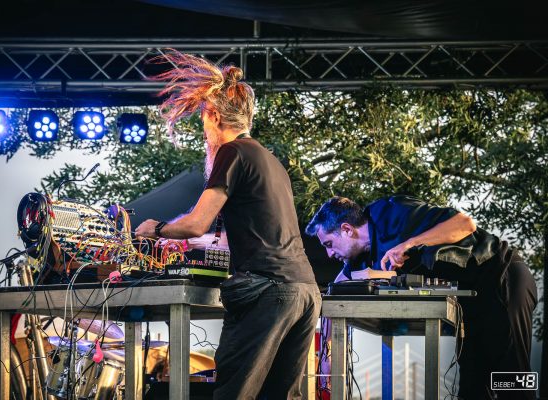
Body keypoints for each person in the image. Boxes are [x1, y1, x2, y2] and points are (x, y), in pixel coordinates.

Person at [135, 51, 321, 399]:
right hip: (305, 291)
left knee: (234, 392)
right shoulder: (269, 161)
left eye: (204, 124)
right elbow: (244, 229)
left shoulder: (231, 152)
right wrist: (188, 238)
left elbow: (195, 224)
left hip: (271, 292)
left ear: (215, 116)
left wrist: (155, 229)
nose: (204, 134)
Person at [305, 195, 537, 400]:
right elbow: (334, 291)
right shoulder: (358, 258)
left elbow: (465, 224)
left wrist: (409, 244)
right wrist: (325, 355)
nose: (328, 253)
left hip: (501, 275)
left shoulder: (391, 211)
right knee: (473, 385)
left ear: (347, 229)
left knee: (511, 376)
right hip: (468, 301)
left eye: (329, 244)